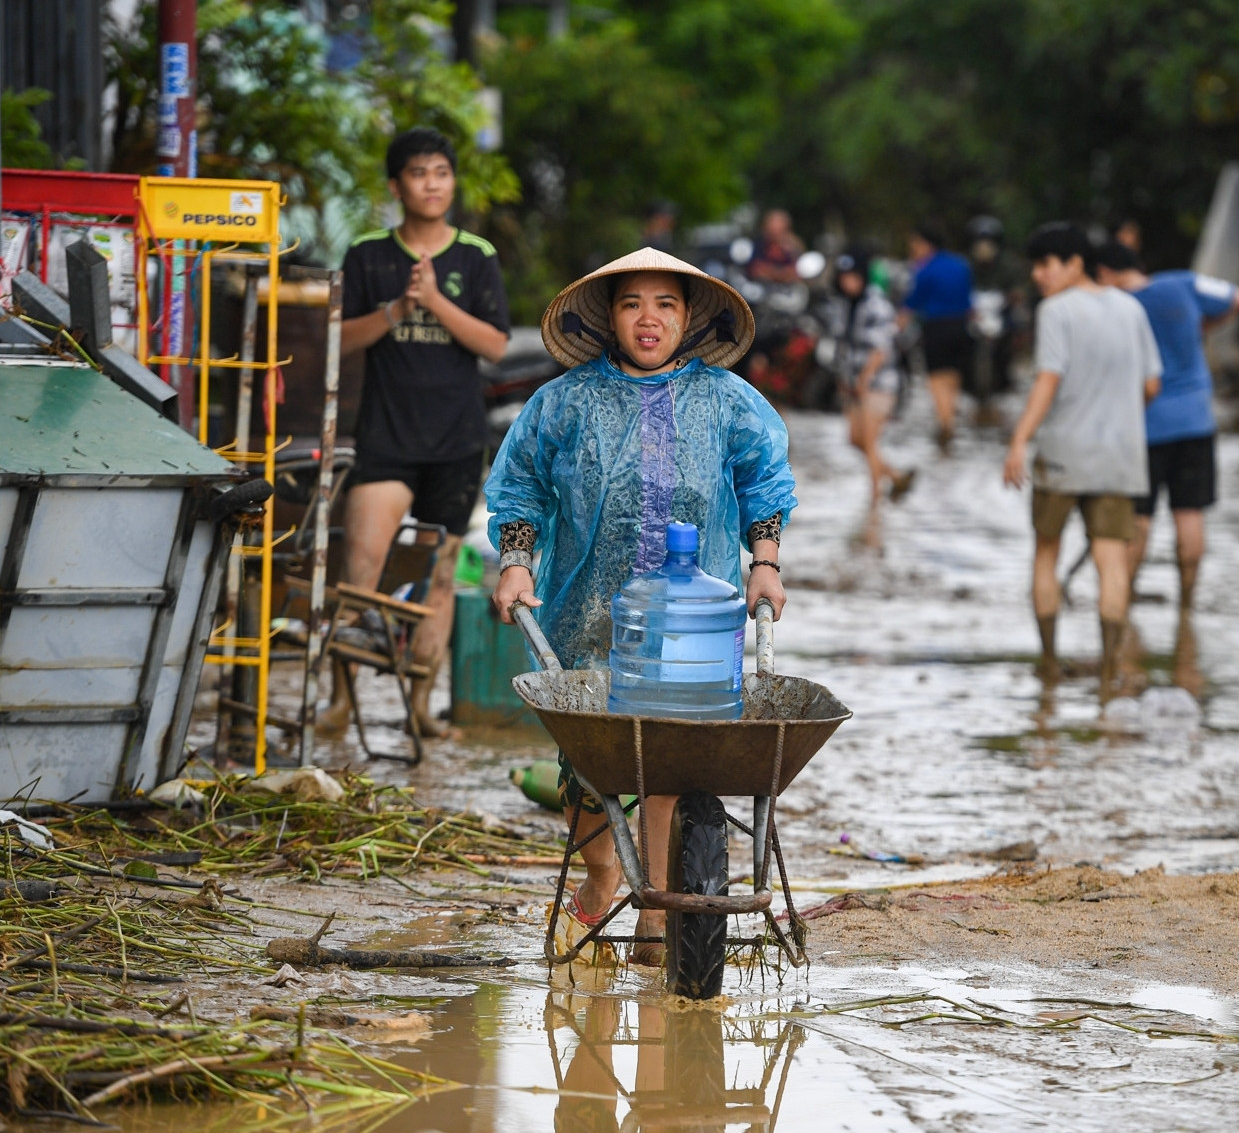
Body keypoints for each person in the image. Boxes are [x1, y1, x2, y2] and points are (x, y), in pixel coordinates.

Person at [484, 246, 795, 964]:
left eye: (665, 305)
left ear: (688, 318)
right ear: (609, 318)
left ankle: (654, 920)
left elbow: (764, 485)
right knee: (591, 767)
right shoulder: (564, 402)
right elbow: (520, 487)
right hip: (588, 615)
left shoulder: (725, 400)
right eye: (632, 304)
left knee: (669, 756)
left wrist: (766, 565)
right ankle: (600, 880)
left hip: (692, 622)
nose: (648, 319)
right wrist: (514, 563)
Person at [325, 127, 510, 736]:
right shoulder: (368, 254)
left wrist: (433, 299)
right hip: (384, 438)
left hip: (456, 441)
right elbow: (340, 339)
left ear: (452, 182)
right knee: (361, 566)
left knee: (440, 572)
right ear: (396, 185)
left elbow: (495, 345)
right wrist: (397, 311)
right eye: (417, 173)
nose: (431, 184)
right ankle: (341, 702)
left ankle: (421, 709)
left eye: (441, 172)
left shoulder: (475, 256)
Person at [1003, 223, 1161, 689]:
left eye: (1045, 264)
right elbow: (1152, 385)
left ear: (1074, 263)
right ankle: (1111, 670)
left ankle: (1050, 665)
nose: (1038, 274)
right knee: (1113, 561)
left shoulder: (1057, 311)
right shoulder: (1132, 308)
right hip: (1120, 457)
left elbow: (1047, 380)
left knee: (1046, 553)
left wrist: (1019, 440)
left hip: (1064, 454)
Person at [1093, 242, 1239, 609]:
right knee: (1190, 513)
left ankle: (1123, 595)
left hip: (1143, 425)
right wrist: (1203, 328)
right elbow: (1238, 298)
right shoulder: (1183, 284)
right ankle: (1188, 602)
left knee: (1140, 517)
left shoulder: (1116, 307)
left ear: (1104, 272)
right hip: (1196, 419)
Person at [823, 250, 914, 503]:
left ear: (863, 276)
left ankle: (875, 502)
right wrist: (845, 379)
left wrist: (864, 379)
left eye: (853, 276)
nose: (848, 282)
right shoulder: (842, 305)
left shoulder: (879, 305)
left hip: (879, 383)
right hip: (853, 382)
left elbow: (881, 350)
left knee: (871, 441)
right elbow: (841, 345)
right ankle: (894, 477)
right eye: (844, 277)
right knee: (855, 439)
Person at [899, 223, 974, 454]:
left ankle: (945, 425)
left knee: (936, 378)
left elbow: (911, 304)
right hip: (961, 327)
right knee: (952, 374)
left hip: (936, 327)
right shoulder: (962, 265)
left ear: (925, 244)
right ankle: (950, 416)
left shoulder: (925, 270)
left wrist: (894, 326)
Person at [746, 208, 803, 283]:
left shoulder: (793, 248)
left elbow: (798, 272)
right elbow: (756, 269)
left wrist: (772, 272)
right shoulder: (758, 246)